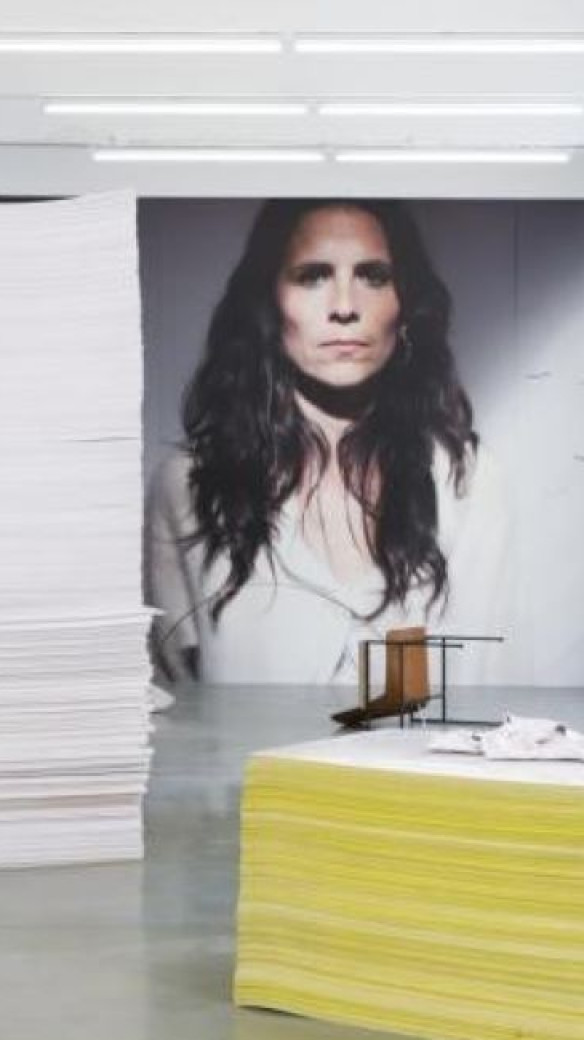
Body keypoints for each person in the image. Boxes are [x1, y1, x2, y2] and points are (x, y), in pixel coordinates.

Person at [147, 199, 510, 687]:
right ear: (270, 303)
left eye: (373, 276)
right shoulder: (190, 485)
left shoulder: (465, 482)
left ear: (405, 305)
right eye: (313, 276)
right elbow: (178, 711)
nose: (344, 307)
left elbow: (473, 689)